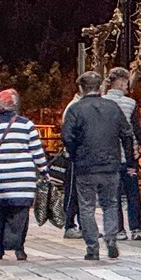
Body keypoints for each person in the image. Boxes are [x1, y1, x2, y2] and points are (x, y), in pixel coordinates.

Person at [62, 71, 134, 261]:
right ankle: (111, 239)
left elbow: (67, 136)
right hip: (111, 164)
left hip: (85, 165)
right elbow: (127, 133)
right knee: (110, 203)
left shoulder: (75, 109)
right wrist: (128, 159)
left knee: (86, 206)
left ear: (80, 88)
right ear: (100, 86)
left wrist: (75, 152)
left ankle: (92, 247)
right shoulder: (112, 107)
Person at [0, 89, 49, 261]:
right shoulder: (26, 124)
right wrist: (43, 170)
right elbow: (37, 151)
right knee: (21, 214)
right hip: (23, 179)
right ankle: (19, 247)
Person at [104, 67, 141, 241]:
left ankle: (119, 230)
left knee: (113, 194)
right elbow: (136, 129)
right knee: (132, 194)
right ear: (122, 82)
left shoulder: (101, 102)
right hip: (129, 157)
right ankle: (136, 229)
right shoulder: (130, 103)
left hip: (108, 157)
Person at [59, 91, 83, 239]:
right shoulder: (74, 107)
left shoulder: (78, 106)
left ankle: (81, 225)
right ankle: (69, 225)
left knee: (81, 192)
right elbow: (68, 134)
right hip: (75, 157)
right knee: (72, 192)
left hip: (79, 156)